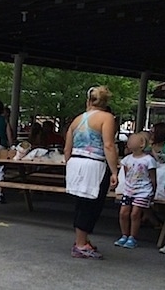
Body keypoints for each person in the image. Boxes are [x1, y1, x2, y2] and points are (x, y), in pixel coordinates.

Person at [65, 86, 118, 259]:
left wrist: (69, 166)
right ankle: (81, 244)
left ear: (88, 101)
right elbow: (108, 145)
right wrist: (114, 171)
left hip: (75, 162)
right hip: (94, 164)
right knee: (92, 204)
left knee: (81, 203)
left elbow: (67, 148)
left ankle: (81, 240)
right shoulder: (107, 118)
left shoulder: (77, 120)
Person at [114, 133, 157, 249]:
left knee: (135, 214)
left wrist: (153, 191)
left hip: (143, 191)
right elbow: (127, 175)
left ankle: (132, 237)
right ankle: (124, 235)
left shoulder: (149, 160)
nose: (129, 143)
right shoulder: (126, 159)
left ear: (142, 144)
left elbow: (153, 177)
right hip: (129, 190)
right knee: (123, 213)